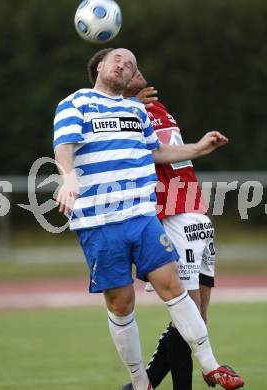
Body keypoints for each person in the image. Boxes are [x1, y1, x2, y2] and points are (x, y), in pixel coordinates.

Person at [53, 47, 244, 390]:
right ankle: (140, 383)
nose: (124, 65)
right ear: (99, 66)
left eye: (131, 65)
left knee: (173, 286)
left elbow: (156, 152)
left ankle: (212, 366)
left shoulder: (135, 110)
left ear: (131, 79)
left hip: (142, 215)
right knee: (121, 303)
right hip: (100, 222)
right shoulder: (75, 103)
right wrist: (68, 177)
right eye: (117, 60)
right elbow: (63, 147)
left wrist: (199, 148)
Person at [119, 70, 217, 390]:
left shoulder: (155, 108)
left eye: (133, 65)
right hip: (172, 214)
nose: (134, 69)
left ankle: (139, 387)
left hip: (193, 209)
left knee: (197, 317)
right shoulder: (125, 113)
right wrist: (127, 105)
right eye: (125, 67)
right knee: (185, 313)